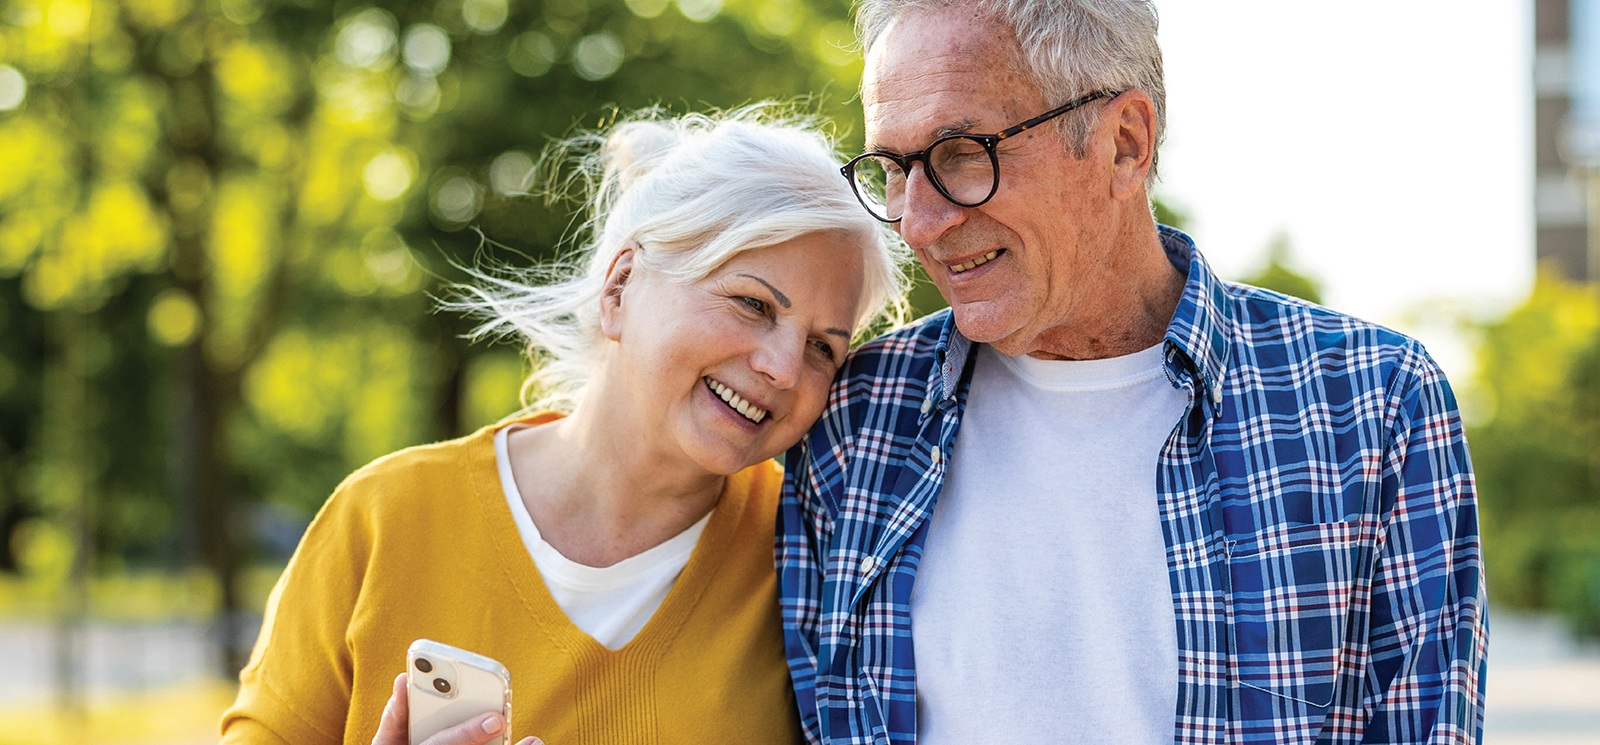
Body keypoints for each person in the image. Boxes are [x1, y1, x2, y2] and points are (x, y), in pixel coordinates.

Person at [776, 1, 1489, 744]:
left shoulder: (1372, 404)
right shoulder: (850, 419)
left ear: (1125, 142)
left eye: (961, 152)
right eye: (893, 169)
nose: (918, 222)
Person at [218, 107, 907, 745]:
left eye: (824, 346)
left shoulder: (816, 562)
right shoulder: (383, 520)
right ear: (619, 287)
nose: (785, 367)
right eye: (753, 304)